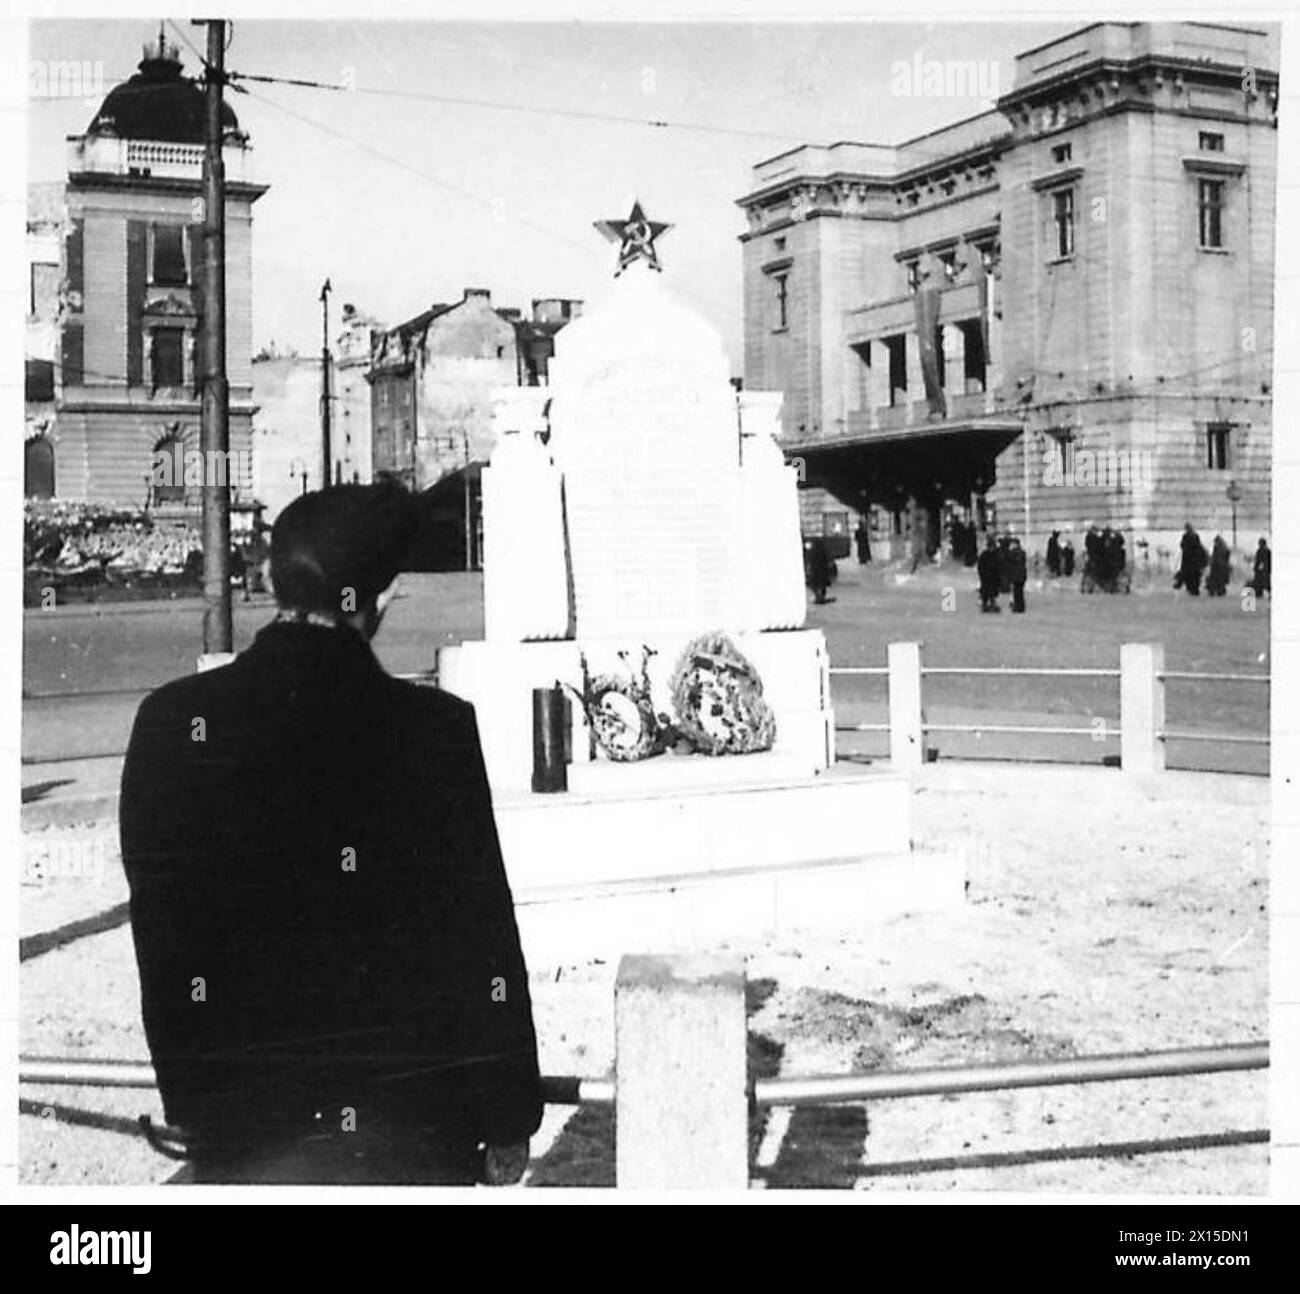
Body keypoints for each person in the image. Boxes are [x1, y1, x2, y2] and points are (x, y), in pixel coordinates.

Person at [120, 483, 542, 1185]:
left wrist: (196, 1107)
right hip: (410, 1137)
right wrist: (507, 1116)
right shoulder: (434, 731)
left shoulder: (171, 724)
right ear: (383, 599)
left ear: (265, 580)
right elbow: (479, 944)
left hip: (243, 1135)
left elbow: (165, 942)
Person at [1175, 523, 1208, 596]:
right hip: (1195, 560)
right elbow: (1198, 546)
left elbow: (1182, 545)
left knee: (1188, 575)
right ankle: (1194, 589)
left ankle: (1189, 588)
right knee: (1195, 576)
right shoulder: (1195, 536)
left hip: (1188, 559)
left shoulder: (1186, 536)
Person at [977, 535, 1002, 612]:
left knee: (992, 593)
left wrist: (998, 575)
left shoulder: (996, 555)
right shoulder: (984, 555)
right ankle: (985, 604)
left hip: (993, 578)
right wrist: (982, 575)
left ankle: (992, 604)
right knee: (986, 592)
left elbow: (999, 566)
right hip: (986, 577)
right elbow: (980, 566)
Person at [804, 535, 833, 604]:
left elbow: (808, 558)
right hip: (820, 568)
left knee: (815, 583)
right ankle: (820, 597)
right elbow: (828, 556)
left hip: (816, 568)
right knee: (820, 583)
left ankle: (818, 597)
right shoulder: (822, 548)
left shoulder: (811, 550)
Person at [1007, 536, 1027, 613]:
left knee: (1016, 592)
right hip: (1022, 575)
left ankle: (1017, 607)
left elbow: (1010, 564)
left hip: (1015, 576)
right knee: (1020, 592)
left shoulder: (1012, 553)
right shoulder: (1022, 552)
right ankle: (1021, 606)